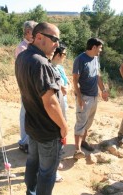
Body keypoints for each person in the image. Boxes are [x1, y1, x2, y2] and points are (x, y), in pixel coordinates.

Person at [15, 22, 68, 195]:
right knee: (47, 172)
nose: (57, 45)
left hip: (33, 125)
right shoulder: (41, 64)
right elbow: (50, 103)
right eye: (54, 39)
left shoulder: (22, 57)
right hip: (47, 130)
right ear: (39, 37)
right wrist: (63, 125)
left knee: (32, 164)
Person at [72, 37, 109, 159]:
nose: (101, 50)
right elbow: (75, 80)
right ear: (94, 47)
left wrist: (103, 90)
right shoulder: (80, 59)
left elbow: (98, 76)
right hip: (84, 96)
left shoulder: (96, 58)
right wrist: (79, 97)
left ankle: (83, 142)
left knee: (88, 122)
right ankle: (77, 150)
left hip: (94, 97)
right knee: (81, 122)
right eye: (100, 48)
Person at [15, 20, 38, 153]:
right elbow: (24, 69)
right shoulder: (22, 48)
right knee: (25, 113)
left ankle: (29, 140)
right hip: (27, 87)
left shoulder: (31, 46)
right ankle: (24, 142)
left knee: (32, 114)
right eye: (35, 32)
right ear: (28, 32)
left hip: (34, 87)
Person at [51, 43, 71, 182]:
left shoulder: (60, 68)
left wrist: (66, 88)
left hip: (63, 103)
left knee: (61, 135)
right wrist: (61, 87)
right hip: (55, 105)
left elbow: (68, 84)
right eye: (64, 54)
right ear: (58, 55)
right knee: (56, 136)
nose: (65, 57)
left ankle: (56, 163)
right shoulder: (48, 68)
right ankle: (53, 170)